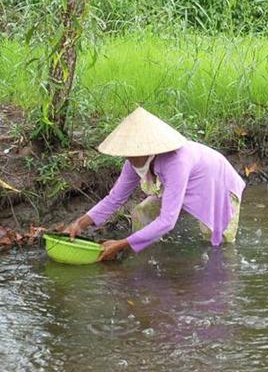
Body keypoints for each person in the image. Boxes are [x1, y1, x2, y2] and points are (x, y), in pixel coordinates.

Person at [65, 107, 245, 261]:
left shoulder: (176, 162)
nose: (128, 157)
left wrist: (121, 244)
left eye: (132, 152)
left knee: (218, 243)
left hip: (218, 184)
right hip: (183, 182)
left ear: (148, 149)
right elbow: (115, 198)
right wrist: (79, 224)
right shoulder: (133, 161)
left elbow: (168, 221)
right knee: (143, 212)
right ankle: (145, 255)